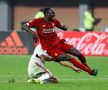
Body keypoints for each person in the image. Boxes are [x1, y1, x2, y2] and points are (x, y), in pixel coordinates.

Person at [23, 7, 98, 76]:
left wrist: (65, 27)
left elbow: (63, 27)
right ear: (46, 14)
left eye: (54, 13)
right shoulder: (38, 21)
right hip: (51, 49)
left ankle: (87, 67)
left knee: (79, 54)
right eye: (52, 13)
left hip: (60, 42)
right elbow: (24, 26)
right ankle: (90, 71)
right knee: (69, 57)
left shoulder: (54, 21)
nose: (54, 15)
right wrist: (33, 33)